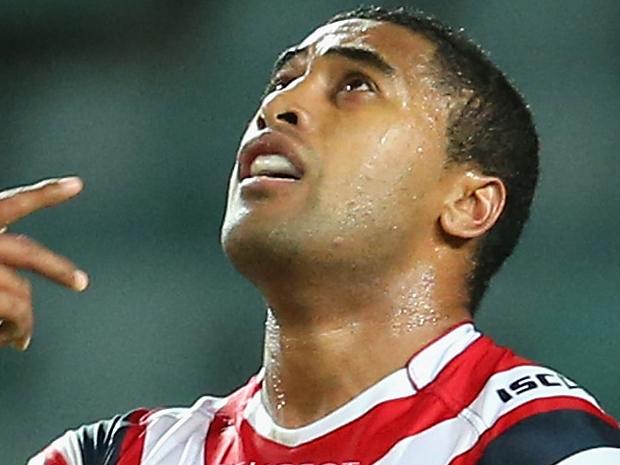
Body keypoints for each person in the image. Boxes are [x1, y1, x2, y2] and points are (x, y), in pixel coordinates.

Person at [1, 5, 617, 465]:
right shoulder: (120, 454)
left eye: (355, 86)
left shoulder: (542, 447)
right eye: (281, 82)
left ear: (467, 203)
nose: (280, 106)